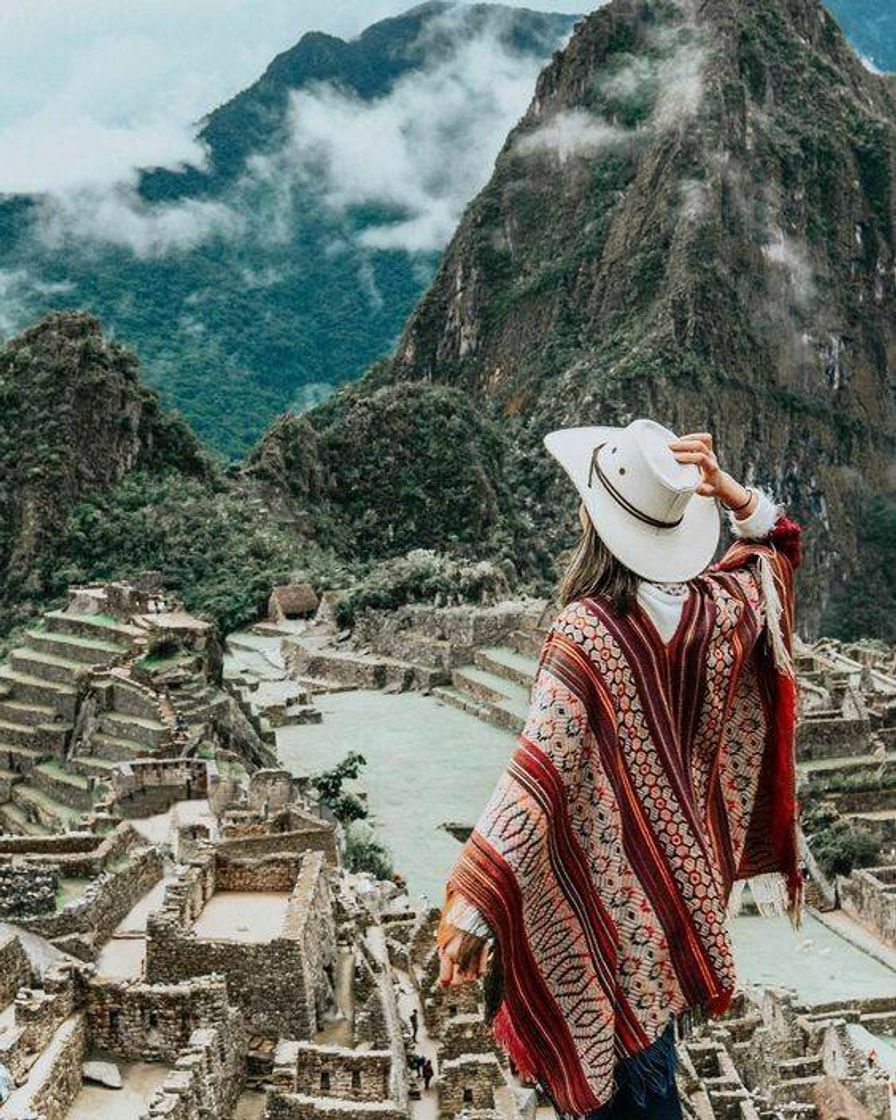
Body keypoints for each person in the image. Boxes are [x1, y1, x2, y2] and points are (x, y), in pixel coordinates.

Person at [437, 421, 803, 1120]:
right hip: (676, 899)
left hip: (604, 908)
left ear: (592, 517)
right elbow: (777, 549)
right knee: (651, 1060)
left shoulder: (587, 633)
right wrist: (737, 498)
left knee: (629, 1092)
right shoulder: (718, 611)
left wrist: (477, 907)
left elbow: (536, 772)